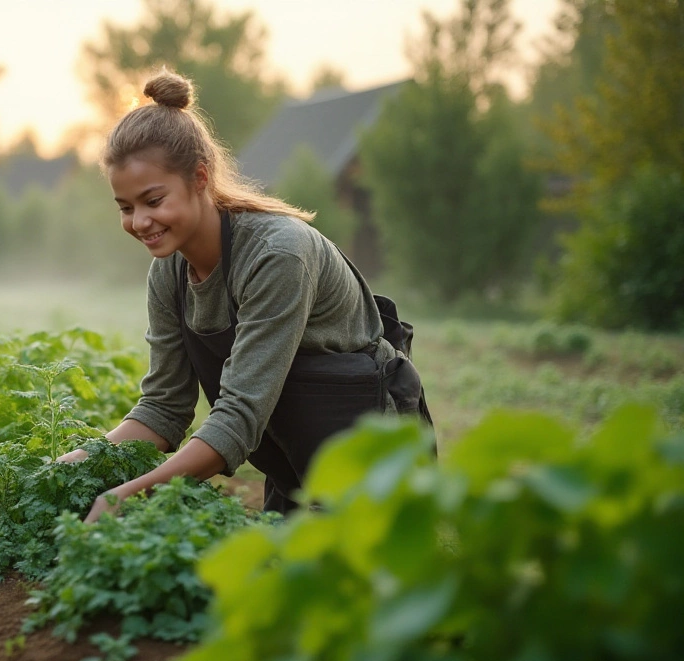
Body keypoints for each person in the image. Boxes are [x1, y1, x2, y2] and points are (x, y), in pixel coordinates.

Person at [60, 70, 433, 522]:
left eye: (153, 200)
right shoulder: (169, 273)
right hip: (296, 465)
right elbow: (162, 408)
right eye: (125, 207)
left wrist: (129, 496)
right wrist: (64, 472)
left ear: (200, 178)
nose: (139, 221)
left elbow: (239, 415)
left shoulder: (277, 255)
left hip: (370, 466)